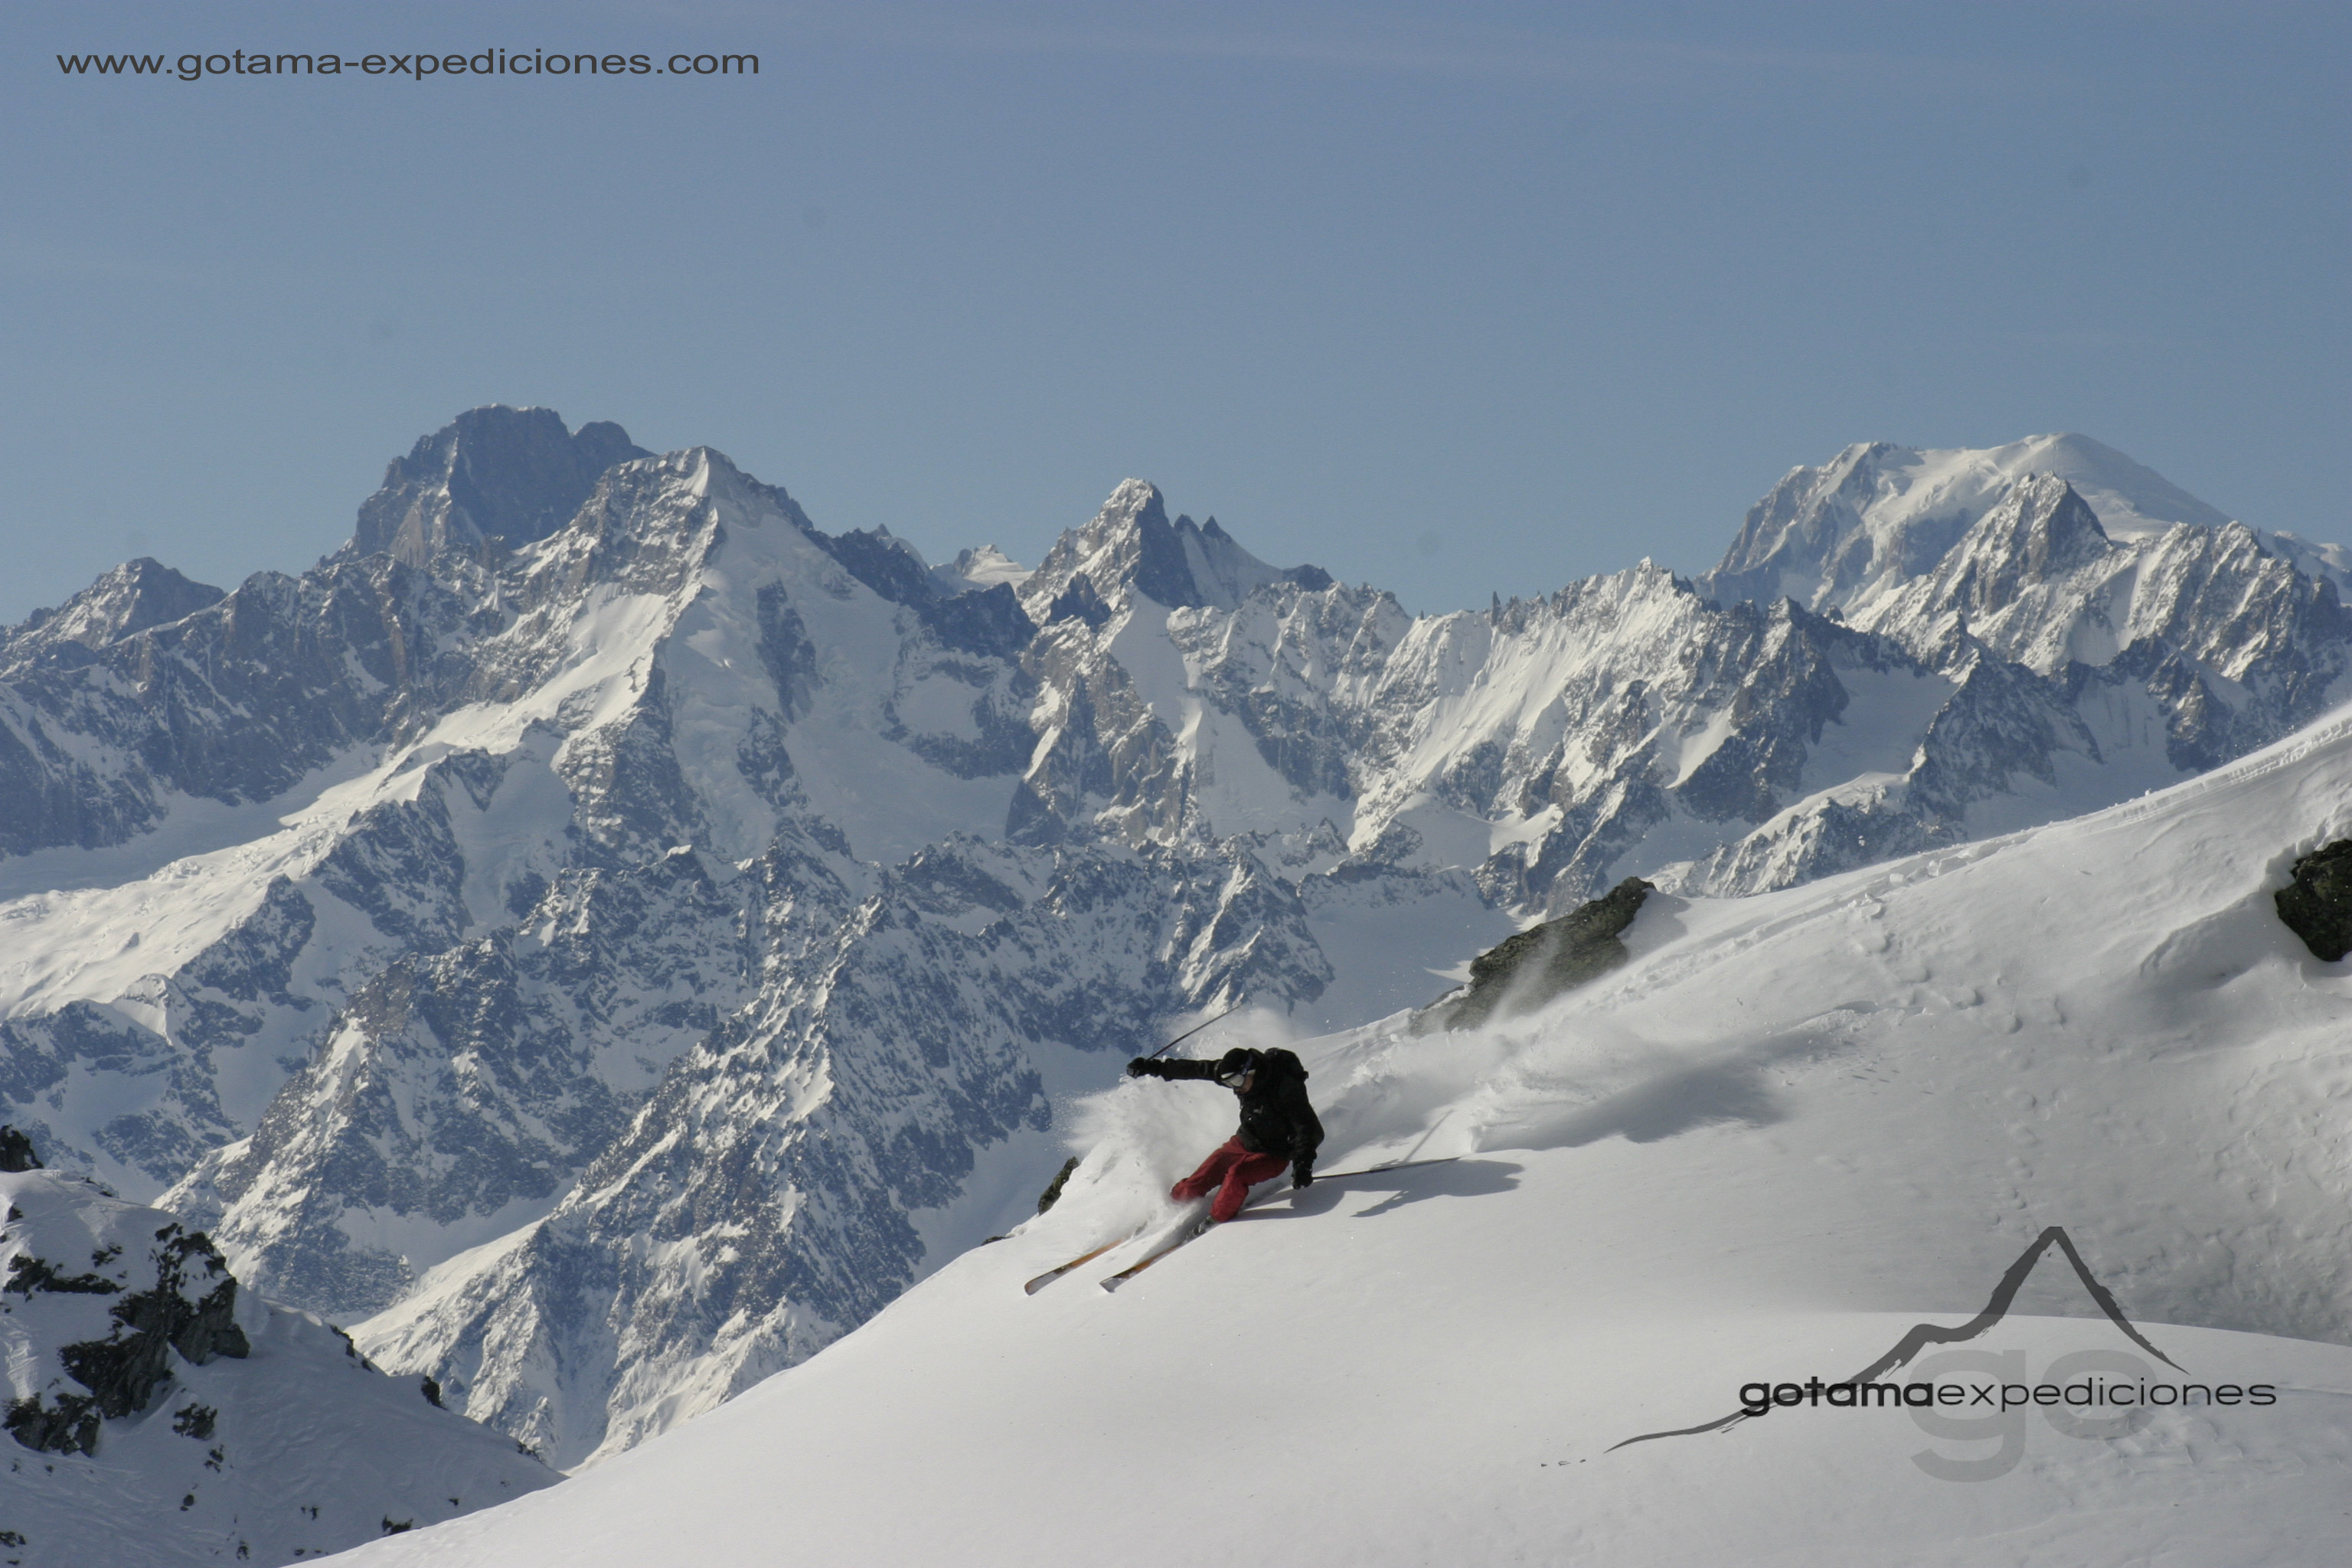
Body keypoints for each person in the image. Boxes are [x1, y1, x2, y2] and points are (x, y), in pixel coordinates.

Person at [1125, 1045, 1323, 1223]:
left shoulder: (1285, 1089)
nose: (1235, 1087)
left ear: (1251, 1071)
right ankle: (1169, 1209)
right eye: (1229, 1083)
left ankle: (1216, 1220)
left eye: (1237, 1081)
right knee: (1192, 1186)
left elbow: (1309, 1129)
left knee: (1236, 1176)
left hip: (1274, 1154)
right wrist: (1154, 1068)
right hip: (1242, 1142)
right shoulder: (1237, 1076)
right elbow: (1196, 1069)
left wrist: (1302, 1165)